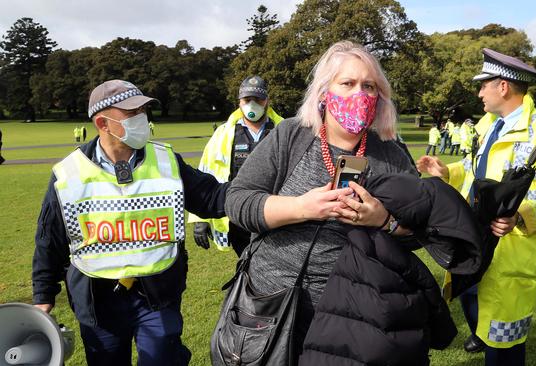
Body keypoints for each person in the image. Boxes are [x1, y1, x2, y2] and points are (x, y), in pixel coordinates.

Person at [225, 40, 417, 360]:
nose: (360, 93)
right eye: (348, 83)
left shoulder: (392, 156)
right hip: (269, 303)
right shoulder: (291, 135)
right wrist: (301, 207)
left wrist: (383, 220)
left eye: (369, 86)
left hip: (352, 314)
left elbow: (419, 230)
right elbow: (238, 201)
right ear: (325, 92)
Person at [32, 80, 230, 366]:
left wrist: (260, 193)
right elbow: (49, 239)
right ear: (103, 122)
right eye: (131, 112)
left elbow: (212, 197)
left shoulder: (167, 161)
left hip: (157, 294)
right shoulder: (68, 174)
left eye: (143, 110)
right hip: (97, 302)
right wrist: (43, 295)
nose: (142, 118)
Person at [417, 48, 536, 366]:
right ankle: (480, 334)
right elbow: (476, 167)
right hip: (476, 237)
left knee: (505, 341)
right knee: (471, 295)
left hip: (512, 248)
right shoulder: (490, 125)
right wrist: (449, 172)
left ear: (502, 86)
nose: (479, 93)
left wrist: (520, 216)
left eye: (483, 85)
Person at [187, 76, 283, 256]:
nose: (252, 105)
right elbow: (206, 172)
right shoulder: (224, 134)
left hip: (274, 213)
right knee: (244, 259)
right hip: (238, 214)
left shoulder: (283, 129)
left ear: (267, 101)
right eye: (247, 100)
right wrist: (201, 218)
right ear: (239, 102)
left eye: (258, 99)